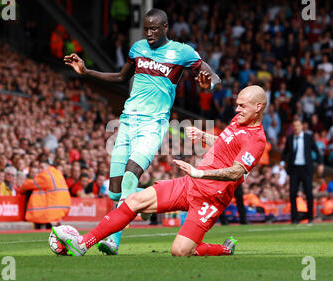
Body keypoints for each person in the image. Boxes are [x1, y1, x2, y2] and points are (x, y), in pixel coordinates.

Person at [63, 8, 220, 255]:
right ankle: (150, 202)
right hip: (126, 123)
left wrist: (207, 86)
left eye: (154, 29)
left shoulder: (183, 52)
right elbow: (120, 77)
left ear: (166, 27)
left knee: (129, 179)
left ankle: (113, 241)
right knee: (115, 192)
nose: (148, 33)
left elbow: (214, 79)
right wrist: (86, 72)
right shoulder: (137, 49)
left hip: (153, 125)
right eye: (146, 28)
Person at [52, 85, 266, 257]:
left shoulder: (256, 140)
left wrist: (200, 173)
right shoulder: (238, 122)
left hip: (210, 199)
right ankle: (83, 243)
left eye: (243, 106)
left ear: (258, 107)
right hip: (189, 184)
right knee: (134, 201)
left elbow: (237, 172)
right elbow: (226, 143)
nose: (237, 110)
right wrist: (204, 137)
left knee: (180, 251)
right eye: (237, 105)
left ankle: (224, 249)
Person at [281, 119, 323, 224]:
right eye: (294, 126)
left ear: (301, 127)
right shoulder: (290, 138)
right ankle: (294, 218)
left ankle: (310, 218)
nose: (296, 128)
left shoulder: (308, 137)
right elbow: (285, 152)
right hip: (294, 169)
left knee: (309, 193)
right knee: (292, 193)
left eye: (298, 126)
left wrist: (320, 163)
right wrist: (282, 163)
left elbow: (316, 151)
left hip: (306, 168)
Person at [20, 159, 71, 229]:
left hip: (51, 210)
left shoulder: (46, 175)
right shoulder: (57, 173)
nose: (40, 170)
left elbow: (28, 185)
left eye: (41, 167)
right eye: (39, 168)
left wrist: (20, 188)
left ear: (48, 166)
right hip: (61, 208)